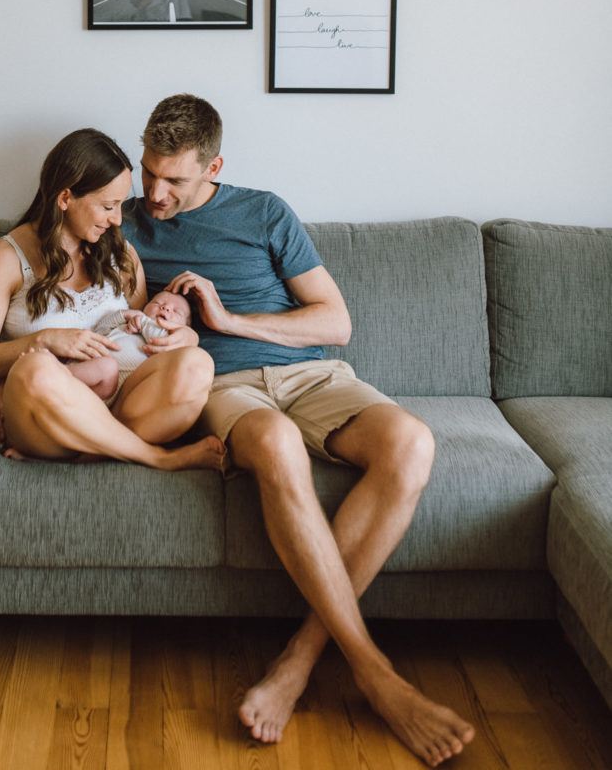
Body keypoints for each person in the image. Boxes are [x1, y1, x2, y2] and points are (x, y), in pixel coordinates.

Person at [122, 95, 475, 767]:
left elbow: (334, 324)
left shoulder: (263, 212)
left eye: (174, 179)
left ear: (214, 166)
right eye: (148, 173)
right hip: (219, 387)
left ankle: (299, 658)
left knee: (410, 442)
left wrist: (230, 320)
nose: (156, 193)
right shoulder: (127, 225)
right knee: (278, 444)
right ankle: (375, 673)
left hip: (310, 377)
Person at [0, 127, 224, 473]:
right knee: (36, 367)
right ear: (65, 198)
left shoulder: (121, 253)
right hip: (49, 413)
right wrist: (45, 340)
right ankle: (154, 456)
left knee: (198, 363)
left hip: (120, 405)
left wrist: (184, 337)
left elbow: (140, 327)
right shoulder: (7, 258)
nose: (117, 219)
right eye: (108, 206)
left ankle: (98, 450)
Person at [71, 289, 195, 397]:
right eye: (157, 303)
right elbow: (100, 331)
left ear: (186, 327)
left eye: (177, 311)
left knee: (107, 366)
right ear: (144, 307)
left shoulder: (170, 340)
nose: (165, 308)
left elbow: (157, 337)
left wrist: (143, 321)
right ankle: (60, 374)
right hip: (85, 363)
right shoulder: (125, 324)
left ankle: (58, 375)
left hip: (110, 386)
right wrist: (124, 315)